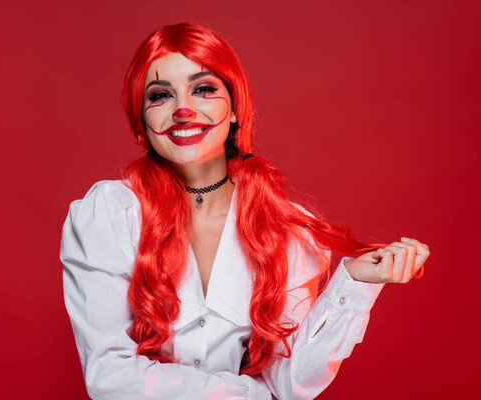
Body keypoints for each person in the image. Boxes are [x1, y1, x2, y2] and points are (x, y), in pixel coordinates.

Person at [60, 22, 430, 400]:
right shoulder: (107, 216)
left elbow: (288, 383)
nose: (183, 109)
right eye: (160, 96)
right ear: (143, 126)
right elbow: (108, 376)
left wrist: (355, 283)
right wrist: (251, 393)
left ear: (235, 109)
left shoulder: (287, 230)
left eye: (203, 89)